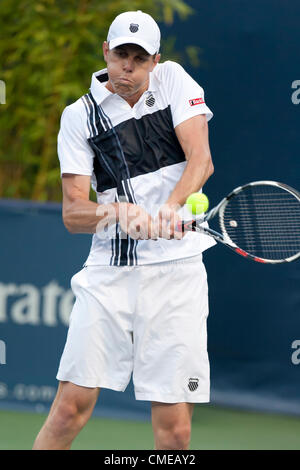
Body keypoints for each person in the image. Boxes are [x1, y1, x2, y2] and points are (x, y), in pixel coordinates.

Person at [33, 10, 215, 450]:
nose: (127, 68)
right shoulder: (79, 116)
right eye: (120, 56)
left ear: (155, 59)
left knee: (174, 432)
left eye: (138, 58)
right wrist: (117, 213)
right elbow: (74, 213)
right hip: (109, 274)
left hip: (178, 274)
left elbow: (201, 161)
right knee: (69, 408)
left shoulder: (173, 80)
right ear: (105, 53)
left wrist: (169, 210)